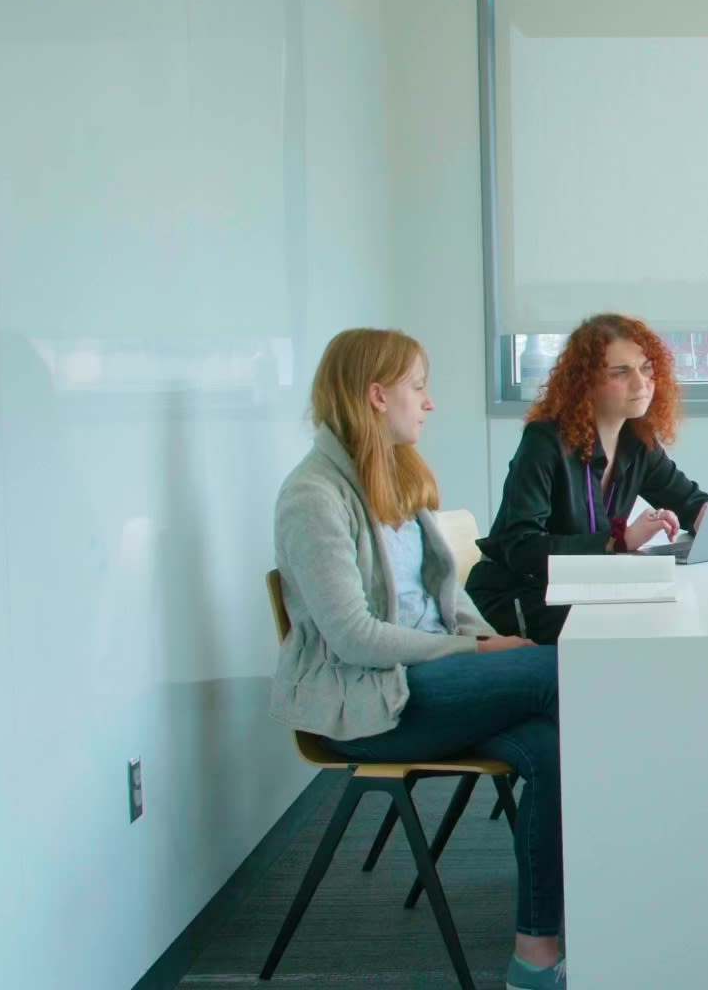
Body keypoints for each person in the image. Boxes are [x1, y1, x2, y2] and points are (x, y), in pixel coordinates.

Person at [272, 329, 567, 990]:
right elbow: (353, 638)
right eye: (418, 387)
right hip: (372, 698)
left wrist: (485, 644)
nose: (429, 403)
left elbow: (446, 598)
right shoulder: (313, 496)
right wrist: (476, 651)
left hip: (433, 681)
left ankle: (535, 955)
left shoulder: (396, 476)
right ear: (378, 396)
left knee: (549, 748)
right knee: (563, 674)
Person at [468, 314, 708, 643]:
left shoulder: (637, 442)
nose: (641, 383)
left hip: (580, 591)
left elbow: (688, 501)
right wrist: (616, 541)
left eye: (646, 368)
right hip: (518, 597)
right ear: (586, 383)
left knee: (665, 615)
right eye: (621, 372)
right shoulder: (544, 441)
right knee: (641, 627)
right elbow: (521, 548)